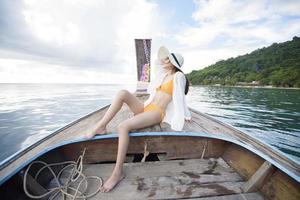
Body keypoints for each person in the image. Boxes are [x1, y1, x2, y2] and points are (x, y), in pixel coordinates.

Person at [84, 46, 192, 193]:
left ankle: (118, 172)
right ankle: (101, 125)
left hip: (157, 112)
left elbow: (180, 97)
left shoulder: (178, 77)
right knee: (122, 93)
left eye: (168, 59)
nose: (164, 60)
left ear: (174, 62)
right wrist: (162, 60)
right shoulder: (163, 75)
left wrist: (186, 114)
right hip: (147, 107)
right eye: (165, 58)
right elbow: (157, 63)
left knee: (123, 127)